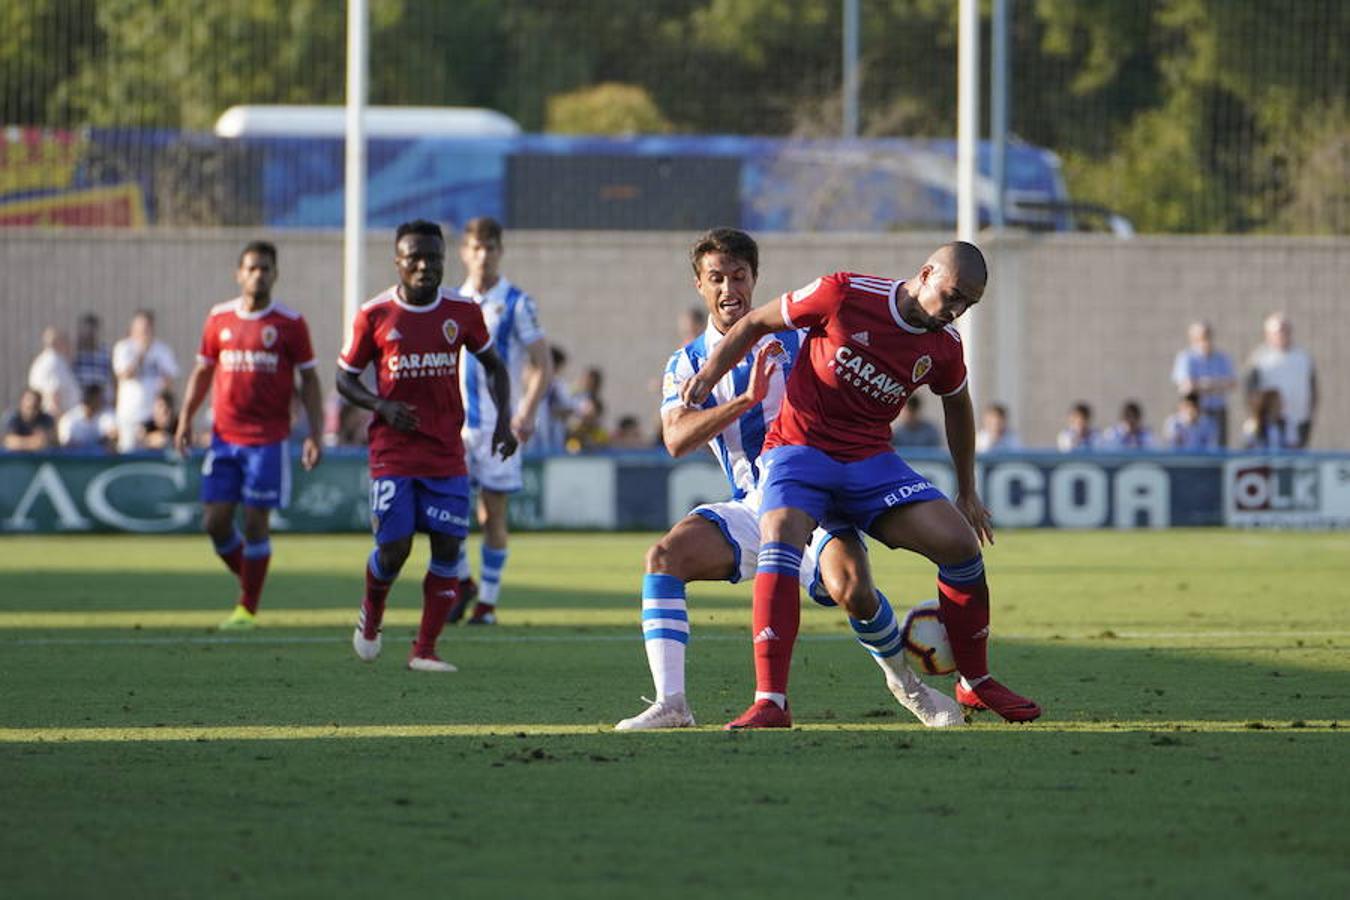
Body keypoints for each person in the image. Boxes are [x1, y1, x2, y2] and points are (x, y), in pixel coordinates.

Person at [680, 240, 1038, 728]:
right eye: (952, 296)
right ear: (926, 272)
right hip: (798, 450)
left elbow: (958, 404)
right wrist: (709, 373)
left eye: (967, 304)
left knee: (958, 544)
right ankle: (771, 701)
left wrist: (968, 490)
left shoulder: (944, 345)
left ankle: (974, 683)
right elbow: (757, 322)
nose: (956, 311)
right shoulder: (845, 293)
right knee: (780, 536)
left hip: (869, 460)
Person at [616, 228, 961, 731]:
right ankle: (673, 703)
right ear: (699, 285)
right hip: (752, 506)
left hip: (814, 493)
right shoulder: (687, 362)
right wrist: (743, 400)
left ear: (756, 279)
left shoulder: (801, 335)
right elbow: (674, 439)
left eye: (739, 276)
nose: (729, 288)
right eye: (717, 278)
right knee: (664, 558)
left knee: (854, 590)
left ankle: (908, 687)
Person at [336, 219, 516, 672]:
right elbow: (344, 378)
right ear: (397, 261)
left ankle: (425, 649)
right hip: (393, 452)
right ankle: (372, 615)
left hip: (445, 452)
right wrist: (381, 405)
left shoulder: (463, 310)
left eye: (432, 257)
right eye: (414, 257)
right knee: (395, 547)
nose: (424, 265)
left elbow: (495, 366)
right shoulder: (374, 314)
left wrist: (504, 422)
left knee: (449, 548)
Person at [174, 241, 325, 630]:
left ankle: (247, 608)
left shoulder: (290, 323)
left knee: (257, 523)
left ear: (276, 274)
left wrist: (315, 433)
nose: (258, 275)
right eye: (252, 268)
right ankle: (252, 580)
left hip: (268, 439)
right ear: (238, 273)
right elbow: (203, 371)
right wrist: (185, 418)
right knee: (215, 522)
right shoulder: (219, 319)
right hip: (224, 437)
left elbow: (309, 380)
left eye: (265, 268)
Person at [446, 217, 553, 626]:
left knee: (493, 513)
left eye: (490, 247)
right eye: (475, 247)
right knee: (448, 509)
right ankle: (461, 582)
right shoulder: (452, 302)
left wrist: (524, 411)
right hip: (456, 428)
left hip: (498, 427)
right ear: (464, 251)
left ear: (499, 251)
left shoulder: (516, 303)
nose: (483, 255)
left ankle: (487, 602)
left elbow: (541, 363)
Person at [1245, 313, 1316, 449]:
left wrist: (1310, 413)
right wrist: (1257, 415)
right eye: (1278, 331)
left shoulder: (1303, 357)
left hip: (1299, 419)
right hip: (1269, 422)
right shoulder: (1260, 358)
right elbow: (1250, 390)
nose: (1282, 334)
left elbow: (1312, 387)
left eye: (1286, 330)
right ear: (1268, 334)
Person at [114, 310, 179, 452]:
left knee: (157, 447)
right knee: (128, 449)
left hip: (153, 417)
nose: (145, 332)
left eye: (147, 328)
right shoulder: (124, 348)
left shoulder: (162, 350)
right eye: (141, 328)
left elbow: (170, 378)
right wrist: (141, 354)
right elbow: (123, 375)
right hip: (130, 415)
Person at [1170, 321, 1235, 447]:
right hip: (1195, 414)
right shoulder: (1186, 358)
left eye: (1207, 335)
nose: (1205, 340)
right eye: (1201, 336)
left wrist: (1201, 384)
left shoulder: (1222, 358)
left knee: (1219, 447)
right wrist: (1216, 385)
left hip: (1218, 411)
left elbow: (1231, 383)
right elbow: (1187, 385)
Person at [27, 327, 81, 419]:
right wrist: (58, 422)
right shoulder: (53, 362)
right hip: (58, 418)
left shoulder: (47, 360)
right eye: (67, 342)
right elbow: (53, 397)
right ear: (58, 343)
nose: (70, 346)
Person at [57, 383, 117, 450]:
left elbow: (114, 434)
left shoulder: (106, 412)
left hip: (101, 457)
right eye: (97, 399)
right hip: (77, 458)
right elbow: (67, 445)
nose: (101, 401)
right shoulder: (69, 419)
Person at [72, 313, 114, 396]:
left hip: (101, 401)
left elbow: (112, 377)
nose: (89, 335)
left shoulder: (105, 353)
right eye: (86, 330)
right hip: (80, 401)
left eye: (92, 331)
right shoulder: (74, 354)